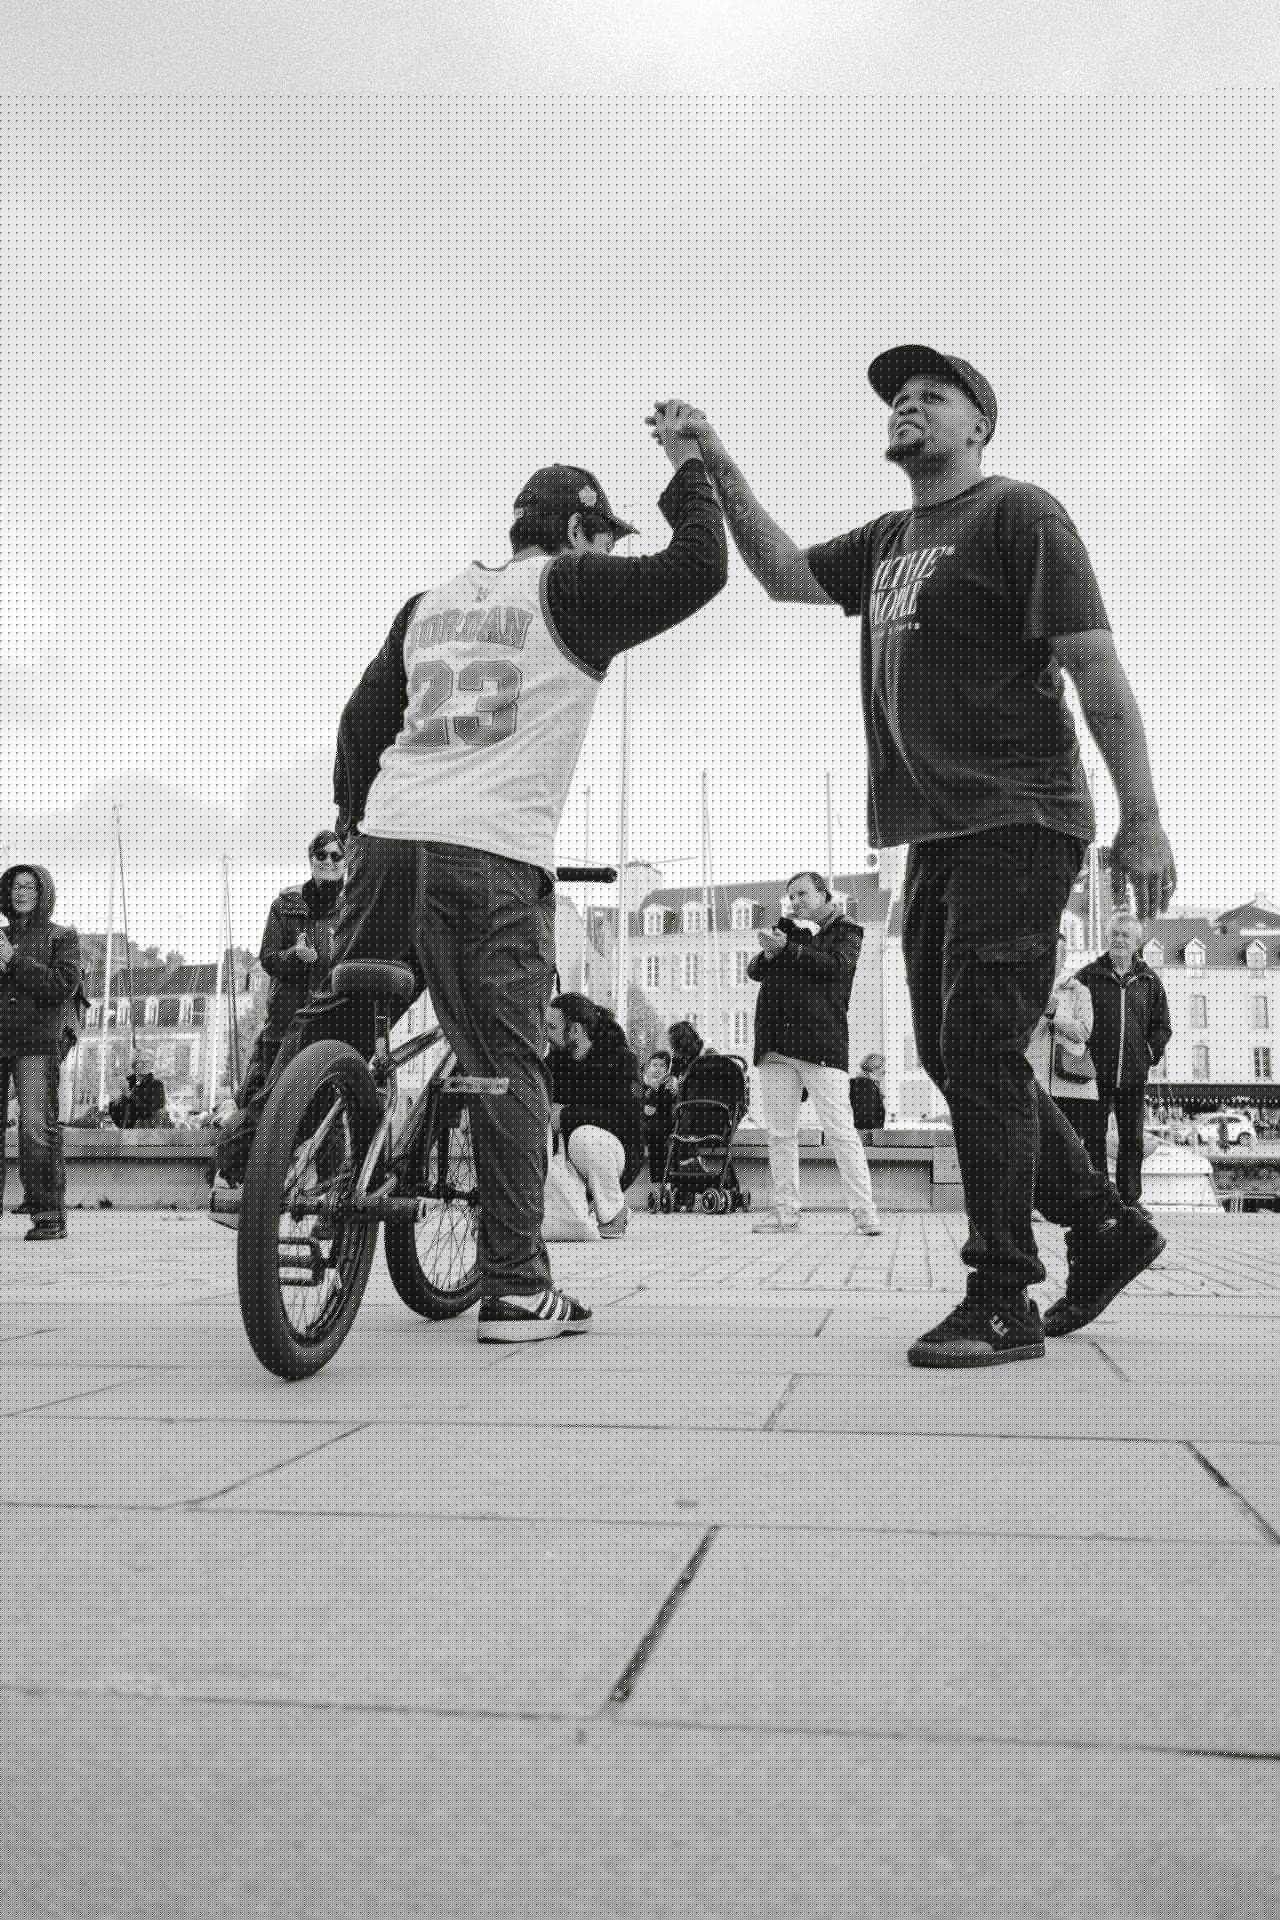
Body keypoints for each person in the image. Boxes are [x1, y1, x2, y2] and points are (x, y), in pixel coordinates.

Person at [654, 348, 1176, 1363]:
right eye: (897, 395)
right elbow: (782, 574)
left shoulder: (1018, 514)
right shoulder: (889, 540)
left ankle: (1002, 1293)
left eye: (932, 395)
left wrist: (1143, 818)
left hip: (1019, 818)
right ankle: (1104, 1225)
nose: (906, 404)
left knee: (978, 1046)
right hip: (934, 834)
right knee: (951, 1052)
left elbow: (1093, 664)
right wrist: (708, 462)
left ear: (978, 427)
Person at [216, 410, 727, 1342]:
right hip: (490, 857)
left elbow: (360, 723)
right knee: (504, 1066)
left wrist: (353, 824)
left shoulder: (431, 604)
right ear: (575, 530)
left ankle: (254, 1166)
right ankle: (518, 1288)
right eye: (605, 538)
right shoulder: (571, 586)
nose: (611, 554)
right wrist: (689, 462)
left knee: (347, 1011)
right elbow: (700, 570)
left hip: (388, 840)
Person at [747, 870, 881, 1236]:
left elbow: (834, 967)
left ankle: (865, 1212)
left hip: (821, 1043)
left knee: (841, 1131)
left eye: (803, 893)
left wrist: (787, 949)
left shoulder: (847, 931)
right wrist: (773, 948)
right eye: (791, 895)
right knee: (780, 1134)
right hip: (776, 1043)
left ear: (824, 895)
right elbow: (755, 970)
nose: (795, 901)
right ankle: (785, 1212)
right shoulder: (788, 931)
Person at [0, 865, 83, 1241]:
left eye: (29, 887)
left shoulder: (62, 937)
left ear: (43, 893)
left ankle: (49, 1215)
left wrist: (13, 960)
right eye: (15, 886)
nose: (21, 892)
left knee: (35, 1126)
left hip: (36, 1042)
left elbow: (61, 985)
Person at [234, 832, 347, 1109]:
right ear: (311, 860)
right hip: (284, 1024)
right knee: (265, 1102)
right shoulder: (284, 906)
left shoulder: (352, 909)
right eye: (321, 855)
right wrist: (295, 956)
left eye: (336, 856)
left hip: (327, 1027)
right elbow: (268, 958)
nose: (328, 861)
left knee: (320, 1109)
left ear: (345, 862)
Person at [1074, 913, 1172, 1216]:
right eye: (1115, 934)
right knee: (1093, 1138)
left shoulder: (1149, 981)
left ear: (1136, 942)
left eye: (1125, 935)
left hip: (1133, 1074)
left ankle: (1130, 1201)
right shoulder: (1087, 976)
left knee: (1132, 1140)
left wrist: (1148, 1054)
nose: (1119, 939)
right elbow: (1072, 1016)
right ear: (1107, 937)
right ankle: (1100, 1201)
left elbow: (1162, 1026)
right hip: (1094, 1074)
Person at [545, 994, 645, 1237]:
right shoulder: (553, 1063)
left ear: (575, 1030)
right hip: (565, 1155)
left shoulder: (622, 1060)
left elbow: (628, 1121)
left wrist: (567, 1116)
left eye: (552, 1027)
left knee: (584, 1138)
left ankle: (613, 1213)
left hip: (615, 1153)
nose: (546, 1033)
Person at [1028, 934, 1097, 1107]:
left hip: (1072, 1085)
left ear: (1064, 956)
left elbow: (1084, 1032)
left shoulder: (1080, 991)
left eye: (1053, 952)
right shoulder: (1027, 991)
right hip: (1036, 1083)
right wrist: (1045, 1015)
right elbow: (1023, 1037)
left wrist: (1055, 1014)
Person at [108, 1050, 172, 1130]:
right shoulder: (126, 1083)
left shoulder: (157, 1085)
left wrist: (129, 1095)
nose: (144, 1064)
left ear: (151, 1065)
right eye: (141, 1062)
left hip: (149, 1132)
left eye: (148, 1062)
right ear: (134, 1066)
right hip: (128, 1132)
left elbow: (149, 1111)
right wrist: (116, 1101)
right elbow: (116, 1114)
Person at [641, 1048, 677, 1185]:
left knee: (659, 1141)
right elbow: (644, 1107)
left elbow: (668, 1104)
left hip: (665, 1122)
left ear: (667, 1069)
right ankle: (657, 1181)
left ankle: (664, 1180)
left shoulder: (668, 1085)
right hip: (650, 1124)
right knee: (654, 1142)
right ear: (648, 1067)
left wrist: (658, 1089)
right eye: (654, 1065)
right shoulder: (645, 1084)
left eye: (662, 1066)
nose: (657, 1068)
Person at [849, 1052, 887, 1133]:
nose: (883, 1074)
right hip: (867, 1135)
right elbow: (865, 1116)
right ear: (874, 1069)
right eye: (883, 1071)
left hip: (866, 1133)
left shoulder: (864, 1084)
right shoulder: (866, 1086)